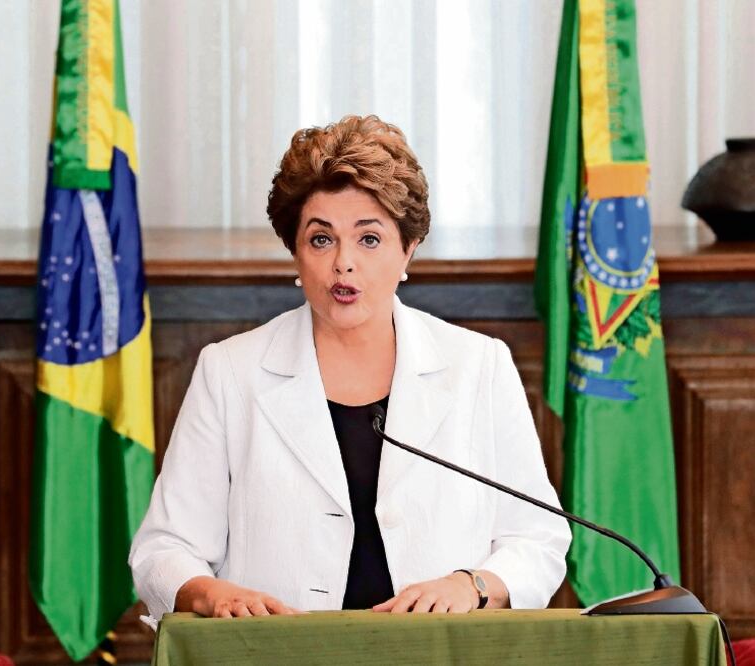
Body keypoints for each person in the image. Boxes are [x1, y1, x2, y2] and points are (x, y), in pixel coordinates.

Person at [129, 115, 571, 619]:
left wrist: (472, 585)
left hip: (440, 655)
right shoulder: (231, 372)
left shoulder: (478, 365)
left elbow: (538, 537)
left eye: (369, 239)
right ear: (295, 251)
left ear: (409, 249)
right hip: (282, 656)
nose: (343, 263)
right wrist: (212, 594)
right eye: (321, 239)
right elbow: (163, 549)